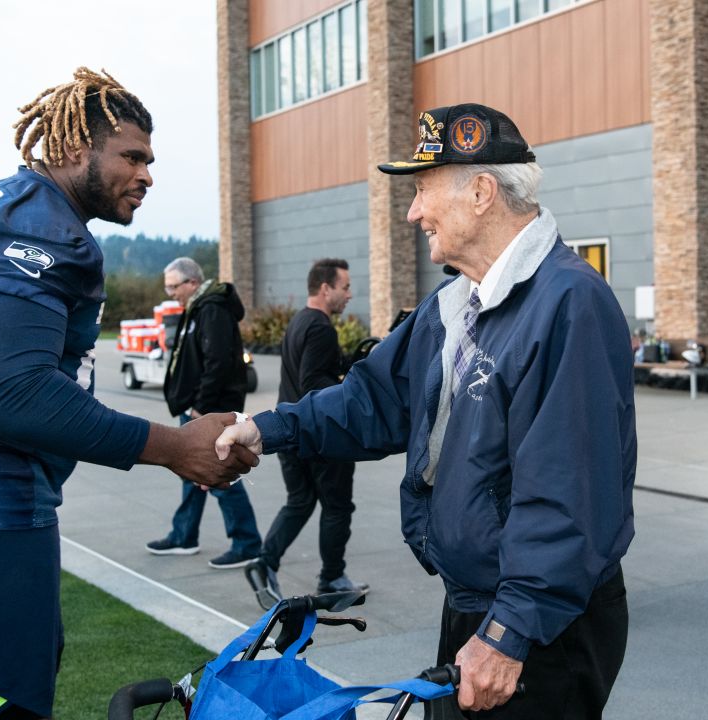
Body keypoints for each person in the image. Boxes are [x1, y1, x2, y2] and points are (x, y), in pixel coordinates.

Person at [0, 67, 258, 720]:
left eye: (150, 160)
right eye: (132, 156)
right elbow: (9, 392)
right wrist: (174, 447)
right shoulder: (40, 227)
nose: (148, 175)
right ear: (76, 150)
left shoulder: (7, 202)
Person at [217, 103, 636, 719]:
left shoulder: (569, 303)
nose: (413, 212)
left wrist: (508, 632)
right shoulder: (453, 303)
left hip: (542, 620)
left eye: (421, 190)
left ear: (482, 192)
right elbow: (372, 400)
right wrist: (266, 428)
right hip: (477, 602)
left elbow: (567, 493)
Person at [246, 258, 368, 608]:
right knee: (337, 506)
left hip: (291, 432)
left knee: (300, 502)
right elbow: (315, 383)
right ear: (325, 288)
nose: (349, 294)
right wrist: (347, 388)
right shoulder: (320, 328)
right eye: (345, 287)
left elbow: (309, 375)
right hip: (321, 438)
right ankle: (332, 578)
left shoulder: (299, 322)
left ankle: (264, 563)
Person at [146, 256, 262, 569]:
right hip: (197, 408)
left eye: (174, 286)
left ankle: (247, 543)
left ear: (193, 283)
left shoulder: (212, 308)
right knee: (189, 471)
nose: (170, 293)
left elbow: (219, 362)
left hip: (209, 411)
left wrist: (200, 407)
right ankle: (184, 535)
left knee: (218, 473)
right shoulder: (199, 307)